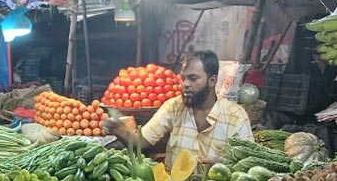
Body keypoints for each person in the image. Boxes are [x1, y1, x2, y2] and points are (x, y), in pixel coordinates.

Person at [103, 50, 253, 168]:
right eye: (183, 78)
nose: (185, 84)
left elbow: (248, 162)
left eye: (193, 79)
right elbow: (141, 142)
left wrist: (220, 166)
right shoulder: (173, 107)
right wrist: (118, 129)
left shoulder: (236, 116)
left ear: (212, 81)